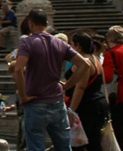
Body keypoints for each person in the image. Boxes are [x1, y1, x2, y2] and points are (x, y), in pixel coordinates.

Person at [14, 10, 90, 151]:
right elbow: (84, 64)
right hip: (57, 101)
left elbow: (18, 69)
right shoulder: (59, 43)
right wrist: (68, 85)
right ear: (47, 23)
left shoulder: (28, 43)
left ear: (31, 24)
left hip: (36, 101)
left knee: (36, 145)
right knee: (64, 146)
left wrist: (23, 96)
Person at [65, 32, 108, 151]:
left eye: (72, 44)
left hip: (86, 105)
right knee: (95, 141)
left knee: (80, 143)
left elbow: (80, 87)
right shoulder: (96, 59)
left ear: (78, 45)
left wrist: (71, 110)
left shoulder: (84, 62)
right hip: (99, 102)